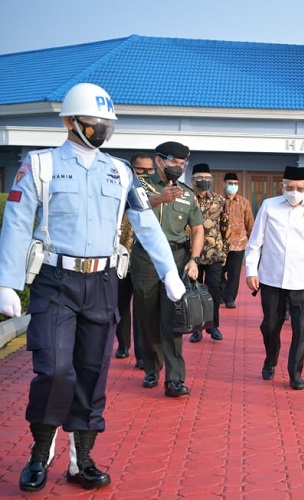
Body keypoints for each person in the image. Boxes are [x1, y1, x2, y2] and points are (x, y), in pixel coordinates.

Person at [0, 83, 185, 492]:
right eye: (94, 122)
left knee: (91, 371)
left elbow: (145, 223)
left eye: (107, 124)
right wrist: (7, 282)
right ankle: (39, 453)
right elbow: (15, 221)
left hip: (102, 281)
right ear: (69, 122)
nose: (101, 129)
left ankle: (80, 459)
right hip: (56, 281)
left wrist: (170, 272)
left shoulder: (119, 172)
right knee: (54, 369)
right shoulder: (40, 166)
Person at [133, 141, 204, 398]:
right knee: (147, 314)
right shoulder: (140, 186)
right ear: (159, 161)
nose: (179, 166)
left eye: (183, 163)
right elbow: (129, 208)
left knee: (174, 317)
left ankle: (175, 379)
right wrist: (158, 199)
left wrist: (194, 259)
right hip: (146, 258)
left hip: (176, 257)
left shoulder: (187, 193)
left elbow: (197, 228)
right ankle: (151, 366)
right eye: (174, 161)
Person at [245, 166, 304, 390]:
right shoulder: (269, 206)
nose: (294, 192)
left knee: (301, 328)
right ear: (282, 186)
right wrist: (251, 270)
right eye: (290, 187)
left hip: (302, 279)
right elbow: (255, 242)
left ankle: (295, 373)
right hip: (271, 278)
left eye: (300, 188)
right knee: (270, 325)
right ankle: (270, 360)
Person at [114, 153, 154, 367]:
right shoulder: (119, 191)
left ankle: (141, 355)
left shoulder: (157, 195)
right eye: (142, 171)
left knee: (142, 310)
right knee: (120, 306)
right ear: (132, 170)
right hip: (120, 260)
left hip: (144, 263)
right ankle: (123, 345)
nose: (146, 175)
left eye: (150, 171)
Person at [188, 163, 228, 343]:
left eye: (207, 178)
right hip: (192, 256)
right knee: (194, 292)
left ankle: (213, 326)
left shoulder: (219, 200)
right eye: (200, 178)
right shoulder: (186, 198)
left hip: (214, 254)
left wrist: (225, 251)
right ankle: (196, 329)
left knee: (213, 291)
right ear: (192, 180)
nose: (204, 181)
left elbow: (226, 227)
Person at [221, 172, 254, 309]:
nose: (232, 186)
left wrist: (252, 242)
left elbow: (250, 223)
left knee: (234, 275)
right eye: (230, 183)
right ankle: (221, 295)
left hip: (239, 244)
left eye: (235, 184)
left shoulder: (244, 202)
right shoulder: (218, 201)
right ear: (224, 184)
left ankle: (229, 298)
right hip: (220, 245)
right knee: (219, 273)